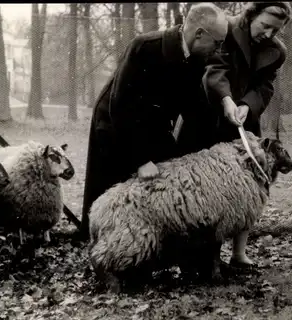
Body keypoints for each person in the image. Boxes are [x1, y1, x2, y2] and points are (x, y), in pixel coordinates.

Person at [80, 3, 228, 239]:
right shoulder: (145, 47)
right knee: (111, 199)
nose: (218, 50)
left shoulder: (198, 58)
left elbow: (197, 110)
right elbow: (121, 106)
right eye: (218, 43)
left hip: (153, 125)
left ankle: (147, 251)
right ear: (199, 33)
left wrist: (214, 151)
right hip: (115, 123)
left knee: (156, 194)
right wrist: (140, 159)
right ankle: (105, 257)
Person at [177, 1, 292, 268]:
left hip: (245, 122)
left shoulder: (276, 51)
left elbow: (266, 86)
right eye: (265, 26)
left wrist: (247, 105)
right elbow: (213, 70)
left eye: (275, 30)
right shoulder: (224, 29)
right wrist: (227, 99)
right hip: (209, 117)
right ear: (251, 15)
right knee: (205, 188)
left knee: (251, 186)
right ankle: (200, 255)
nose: (268, 34)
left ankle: (239, 254)